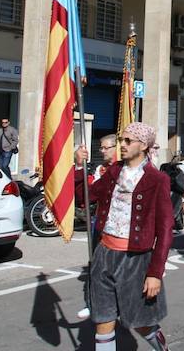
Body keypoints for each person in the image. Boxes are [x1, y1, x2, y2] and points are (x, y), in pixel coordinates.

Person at [75, 122, 173, 351]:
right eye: (122, 140)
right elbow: (84, 197)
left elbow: (166, 230)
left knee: (141, 324)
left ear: (144, 145)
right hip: (104, 254)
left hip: (135, 261)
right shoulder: (114, 171)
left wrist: (155, 273)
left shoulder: (158, 180)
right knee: (103, 320)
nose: (123, 145)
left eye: (128, 141)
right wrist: (79, 166)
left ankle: (162, 347)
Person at [74, 134, 120, 321]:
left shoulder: (129, 170)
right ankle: (94, 304)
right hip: (101, 226)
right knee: (97, 267)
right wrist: (79, 166)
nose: (101, 151)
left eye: (105, 147)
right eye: (100, 148)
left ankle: (122, 303)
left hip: (124, 231)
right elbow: (84, 196)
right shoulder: (101, 171)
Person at [159, 152, 184, 232]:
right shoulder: (176, 171)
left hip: (173, 191)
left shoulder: (177, 171)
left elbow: (182, 186)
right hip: (171, 191)